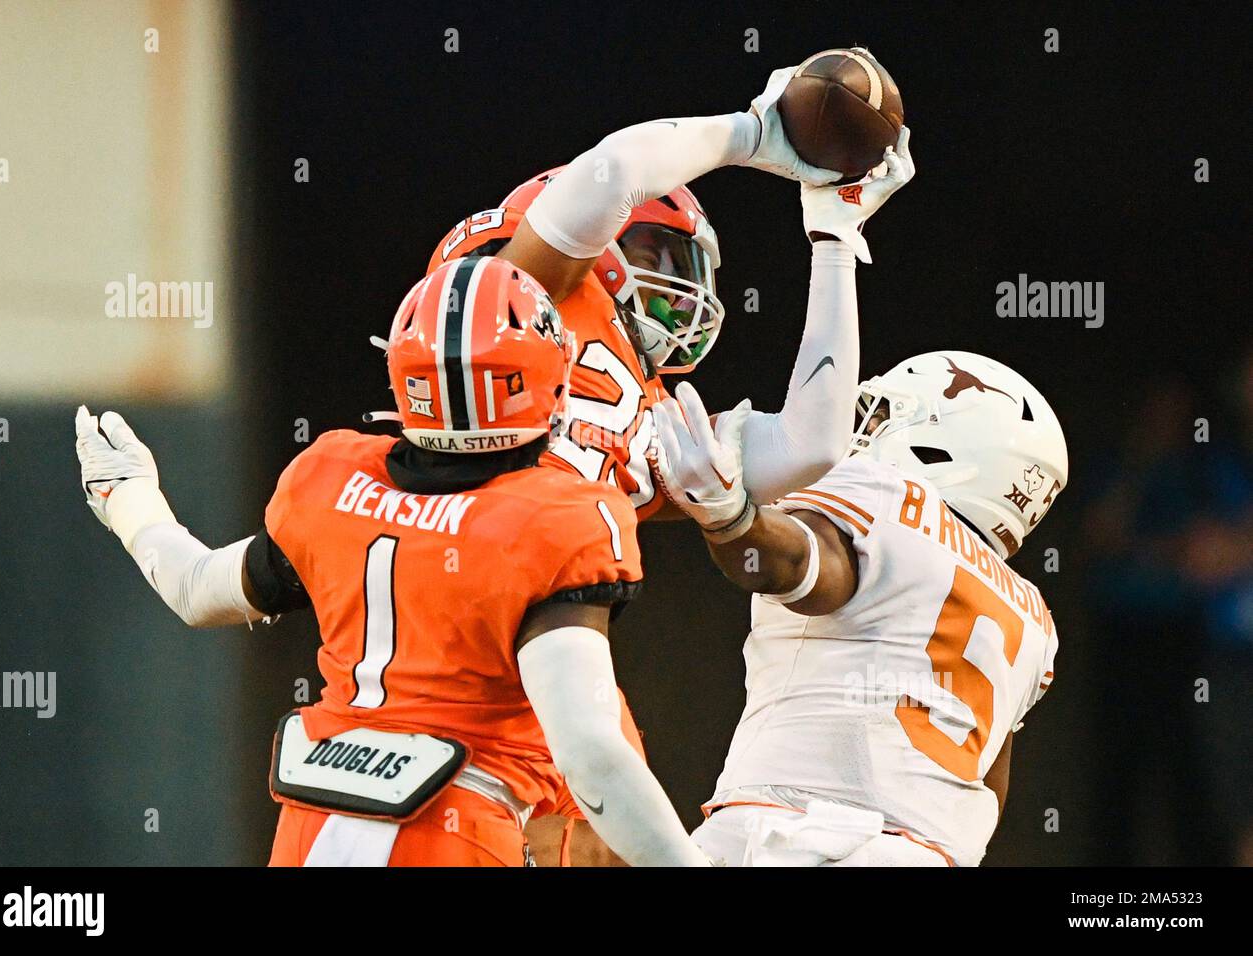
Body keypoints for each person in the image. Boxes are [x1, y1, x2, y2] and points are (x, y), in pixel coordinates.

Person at [74, 257, 707, 867]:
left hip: (310, 826)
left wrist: (131, 498)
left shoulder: (332, 481)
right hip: (454, 829)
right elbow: (592, 753)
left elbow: (193, 589)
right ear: (547, 376)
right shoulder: (560, 519)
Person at [428, 74, 914, 860]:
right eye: (656, 252)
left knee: (608, 838)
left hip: (551, 648)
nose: (680, 285)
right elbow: (618, 168)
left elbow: (812, 445)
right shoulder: (524, 296)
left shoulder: (643, 409)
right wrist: (752, 135)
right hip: (452, 643)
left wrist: (833, 241)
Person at [649, 346, 1068, 866]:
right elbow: (985, 777)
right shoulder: (1034, 616)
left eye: (889, 414)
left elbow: (804, 571)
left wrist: (729, 515)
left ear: (953, 444)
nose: (866, 427)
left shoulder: (888, 495)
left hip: (797, 831)